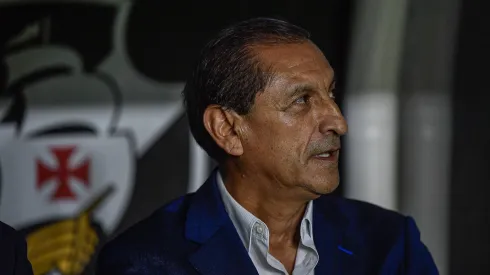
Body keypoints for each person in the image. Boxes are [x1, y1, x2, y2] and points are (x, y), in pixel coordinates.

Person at [96, 18, 438, 275]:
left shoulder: (391, 244)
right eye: (301, 100)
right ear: (227, 129)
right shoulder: (143, 262)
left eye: (330, 93)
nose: (338, 121)